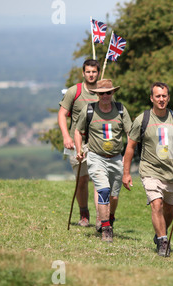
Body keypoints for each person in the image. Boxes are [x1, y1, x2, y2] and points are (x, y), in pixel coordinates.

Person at [122, 82, 173, 256]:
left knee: (168, 210)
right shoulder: (142, 119)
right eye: (157, 96)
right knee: (156, 204)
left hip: (172, 173)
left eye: (164, 96)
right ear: (151, 98)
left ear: (168, 98)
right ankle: (162, 241)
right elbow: (130, 146)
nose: (161, 99)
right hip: (150, 170)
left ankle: (160, 233)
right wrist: (126, 173)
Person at [74, 79, 132, 242]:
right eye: (101, 93)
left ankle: (110, 218)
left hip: (116, 158)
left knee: (114, 196)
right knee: (104, 190)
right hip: (96, 157)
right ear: (97, 94)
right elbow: (78, 131)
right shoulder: (89, 110)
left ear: (113, 92)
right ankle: (106, 228)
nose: (105, 96)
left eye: (108, 92)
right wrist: (79, 150)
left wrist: (128, 155)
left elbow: (131, 134)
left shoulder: (120, 109)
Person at [58, 59, 101, 229]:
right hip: (76, 141)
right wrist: (65, 137)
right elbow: (62, 114)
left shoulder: (103, 92)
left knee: (99, 180)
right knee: (81, 181)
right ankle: (84, 213)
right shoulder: (73, 91)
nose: (91, 74)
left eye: (94, 72)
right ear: (83, 73)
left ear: (98, 73)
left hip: (98, 143)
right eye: (88, 72)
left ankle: (101, 217)